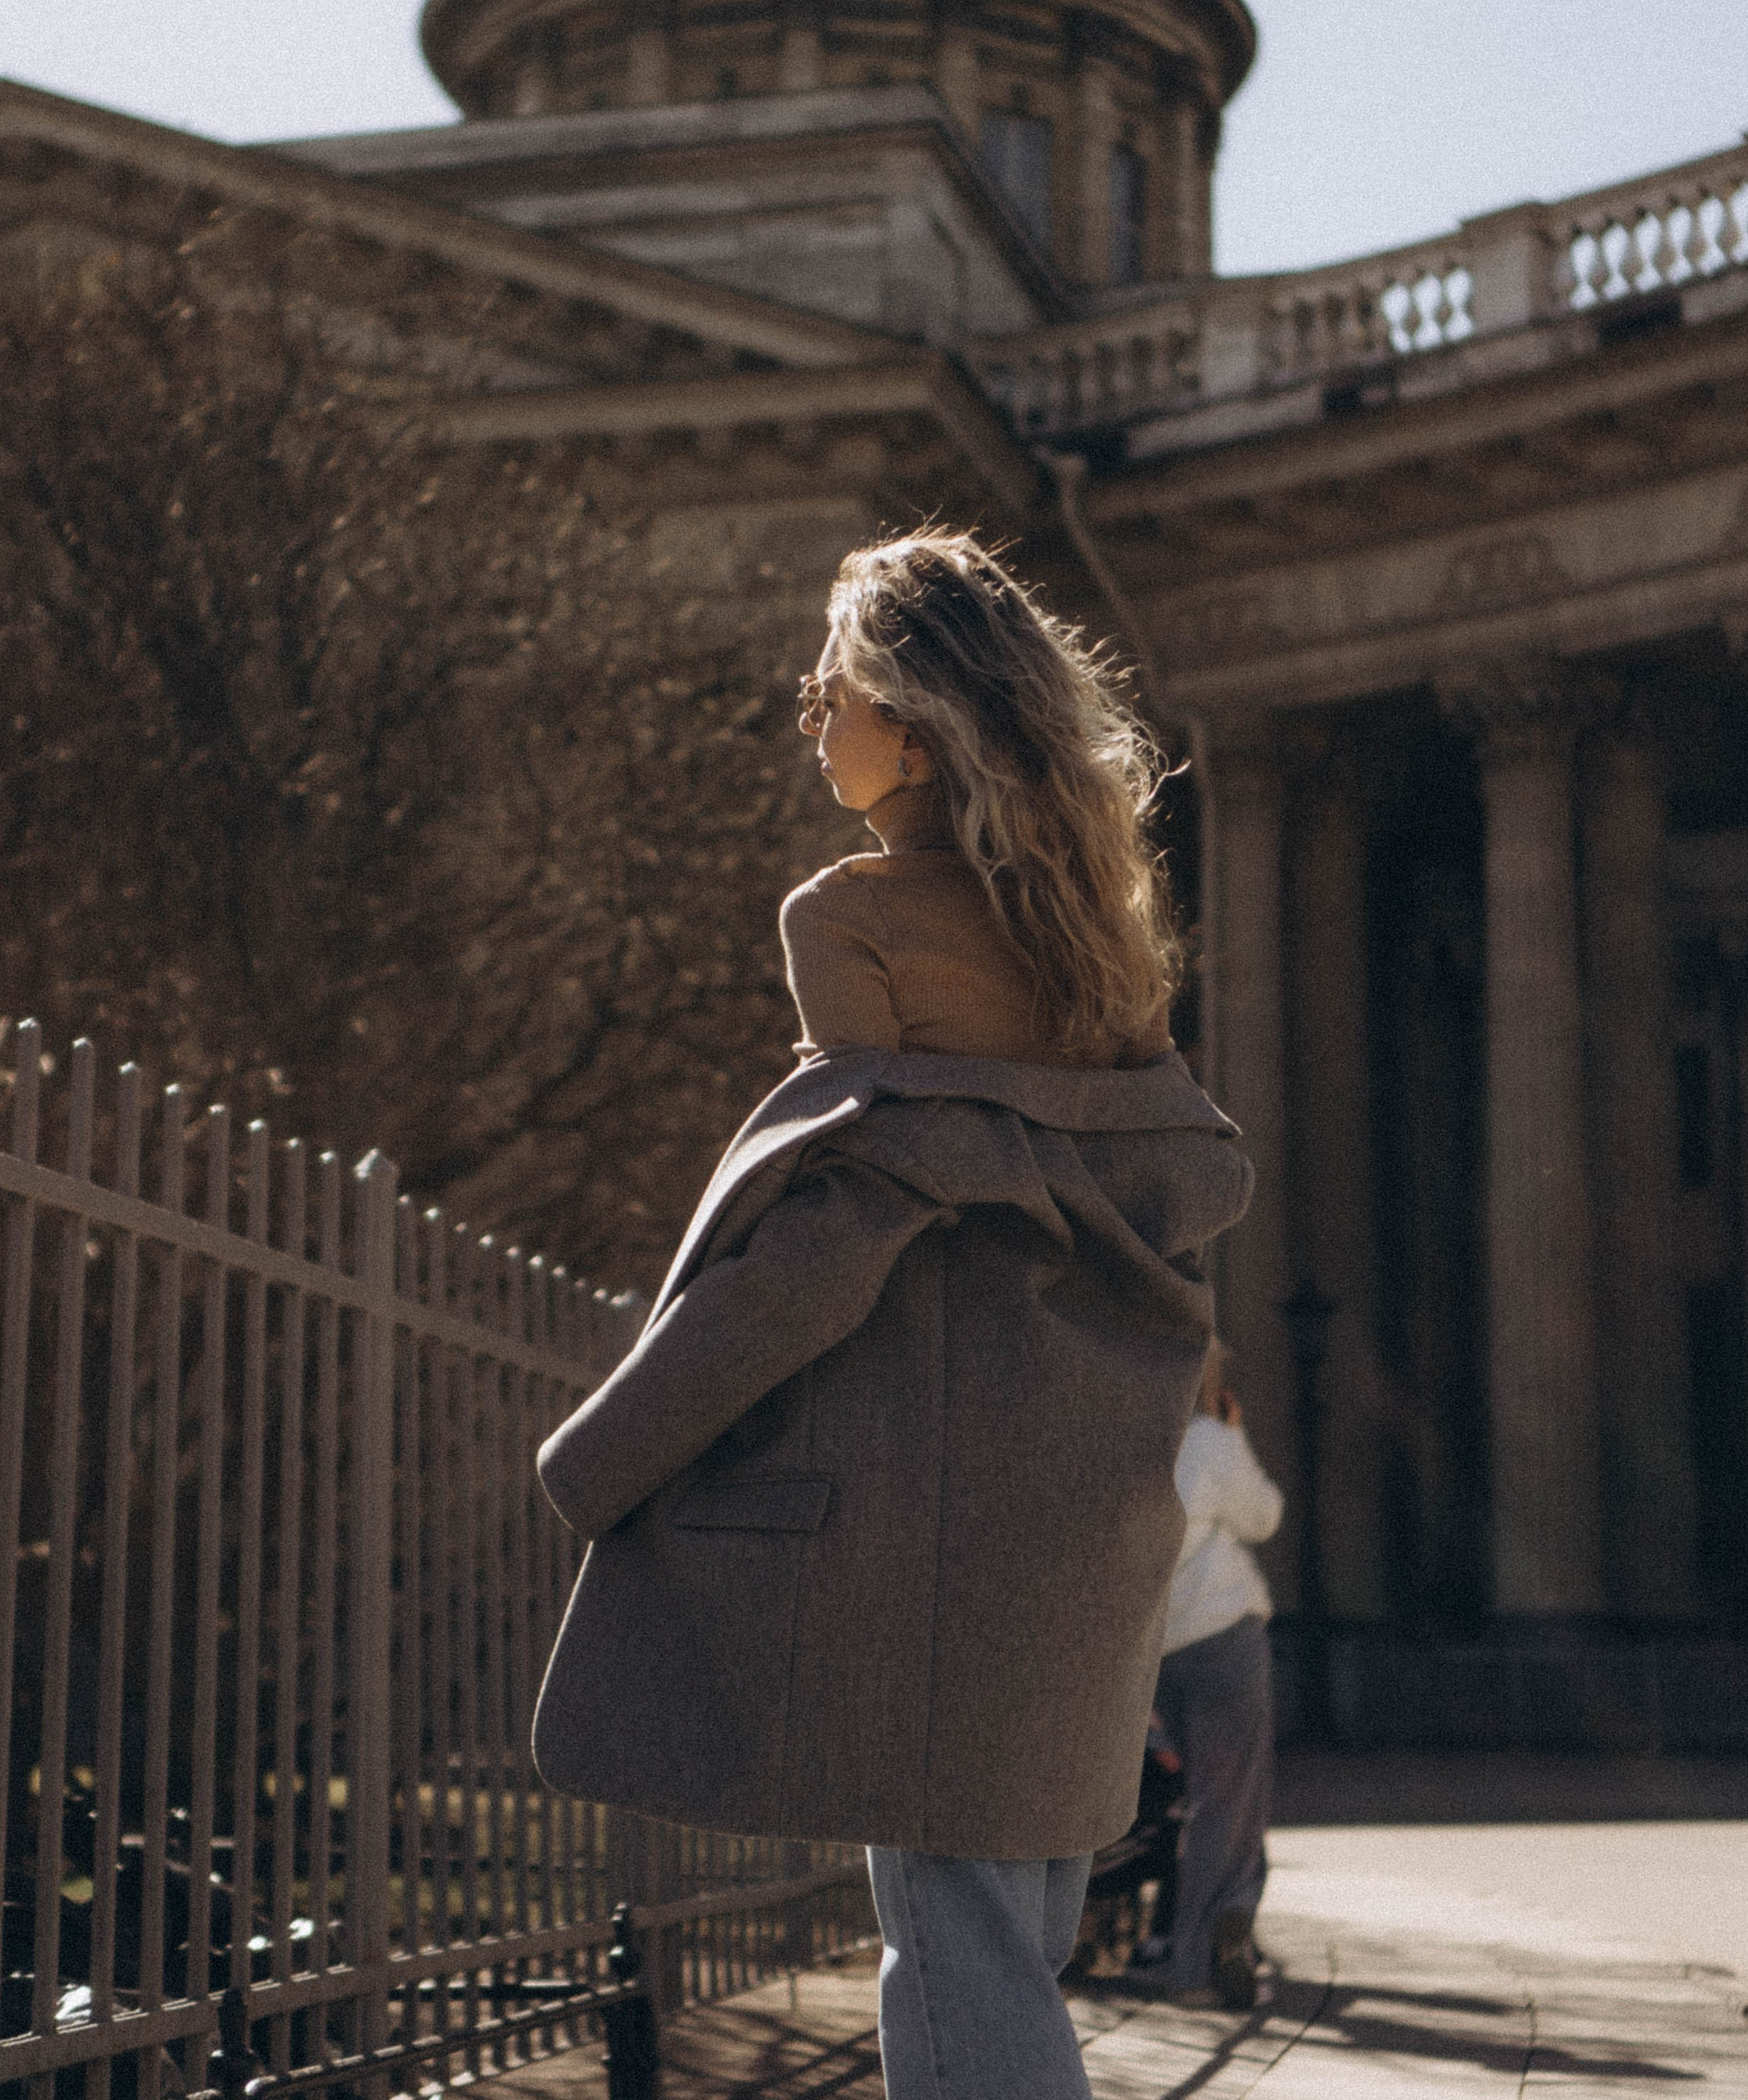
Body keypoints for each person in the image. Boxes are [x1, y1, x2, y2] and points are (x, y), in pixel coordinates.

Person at [531, 531, 1254, 2100]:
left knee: (955, 1960)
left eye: (826, 687)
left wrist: (610, 1444)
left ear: (908, 725)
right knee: (1014, 1939)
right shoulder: (1098, 944)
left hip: (935, 1540)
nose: (807, 716)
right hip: (1089, 1519)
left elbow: (831, 1235)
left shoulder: (848, 921)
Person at [1130, 1337, 1283, 2011]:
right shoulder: (1210, 1442)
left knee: (1188, 1798)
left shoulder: (1133, 1446)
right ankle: (1213, 1939)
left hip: (1160, 1647)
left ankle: (1204, 1934)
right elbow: (1264, 1516)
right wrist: (1236, 1437)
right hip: (1225, 1638)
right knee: (1232, 1795)